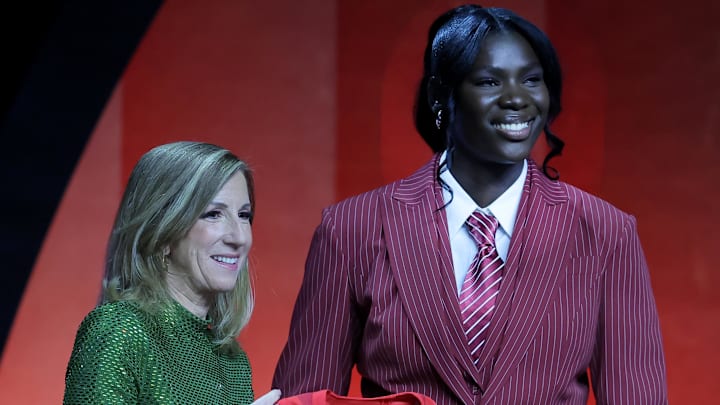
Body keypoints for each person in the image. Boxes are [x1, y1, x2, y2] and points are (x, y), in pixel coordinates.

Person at [273, 4, 667, 405]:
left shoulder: (607, 232)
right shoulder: (351, 228)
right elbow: (305, 397)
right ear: (440, 96)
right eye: (489, 82)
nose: (517, 99)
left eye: (532, 80)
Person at [64, 141, 280, 404]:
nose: (239, 237)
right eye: (213, 214)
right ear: (162, 233)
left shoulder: (232, 359)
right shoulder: (120, 331)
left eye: (244, 215)